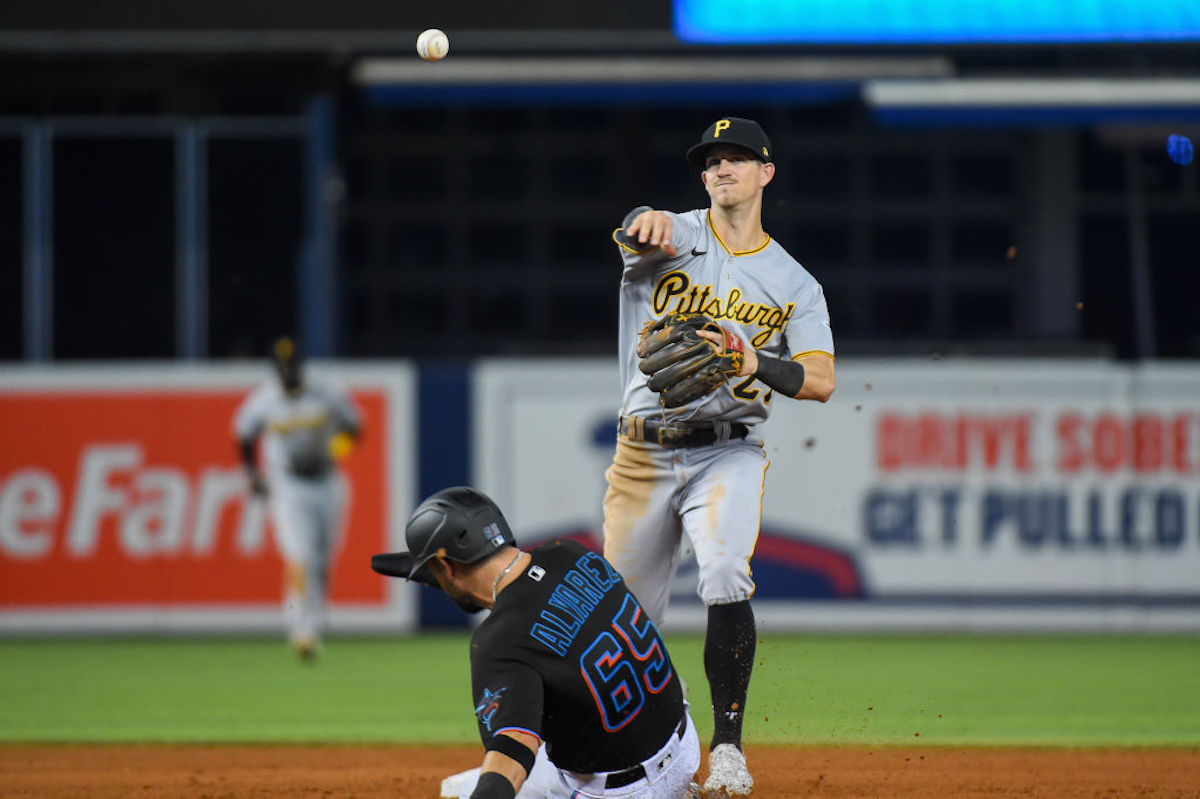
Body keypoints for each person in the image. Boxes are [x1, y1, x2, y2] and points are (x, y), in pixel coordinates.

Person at [604, 117, 836, 796]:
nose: (721, 170)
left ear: (767, 173)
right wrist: (642, 217)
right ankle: (642, 752)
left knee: (726, 571)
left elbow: (820, 379)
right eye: (711, 163)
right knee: (625, 627)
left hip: (727, 451)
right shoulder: (673, 235)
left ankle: (728, 749)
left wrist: (752, 358)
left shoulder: (794, 282)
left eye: (737, 159)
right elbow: (640, 227)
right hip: (641, 454)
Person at [371, 486, 701, 799]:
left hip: (618, 792)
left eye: (434, 569)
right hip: (684, 746)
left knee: (463, 790)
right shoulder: (569, 554)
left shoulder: (499, 641)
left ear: (445, 565)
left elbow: (513, 752)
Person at [233, 336, 363, 660]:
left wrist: (336, 450)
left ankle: (314, 623)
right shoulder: (264, 399)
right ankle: (301, 629)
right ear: (275, 369)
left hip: (327, 480)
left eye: (292, 366)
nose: (288, 372)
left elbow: (355, 428)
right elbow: (243, 434)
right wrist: (252, 474)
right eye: (282, 367)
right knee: (300, 556)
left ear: (300, 366)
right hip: (288, 486)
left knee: (321, 559)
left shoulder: (326, 390)